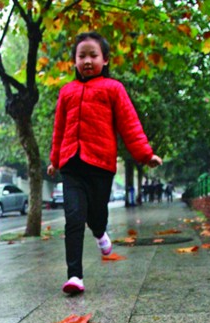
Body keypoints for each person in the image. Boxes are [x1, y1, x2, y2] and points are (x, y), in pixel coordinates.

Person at [47, 31, 162, 294]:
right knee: (74, 218)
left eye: (93, 55)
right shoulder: (66, 92)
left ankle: (100, 233)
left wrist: (145, 154)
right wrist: (55, 160)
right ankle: (75, 275)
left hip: (100, 165)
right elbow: (59, 129)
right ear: (74, 61)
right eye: (81, 56)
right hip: (72, 165)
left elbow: (129, 124)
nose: (87, 60)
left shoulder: (113, 89)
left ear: (105, 60)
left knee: (96, 214)